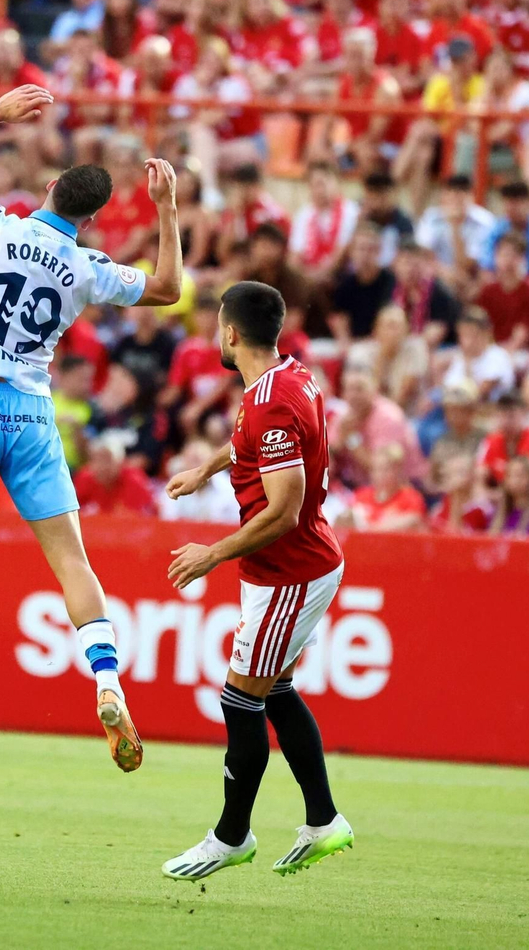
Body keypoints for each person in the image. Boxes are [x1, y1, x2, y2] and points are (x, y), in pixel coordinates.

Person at [0, 84, 184, 783]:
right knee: (73, 563)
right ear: (90, 219)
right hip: (33, 415)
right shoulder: (89, 269)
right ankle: (109, 683)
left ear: (52, 189)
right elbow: (167, 288)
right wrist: (168, 209)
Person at [159, 281, 351, 881]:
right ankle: (323, 821)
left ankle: (231, 836)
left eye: (219, 323)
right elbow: (252, 444)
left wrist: (210, 554)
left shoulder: (269, 399)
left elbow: (284, 508)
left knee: (240, 696)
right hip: (297, 564)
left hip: (288, 570)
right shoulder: (290, 376)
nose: (217, 332)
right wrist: (206, 468)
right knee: (273, 692)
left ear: (231, 332)